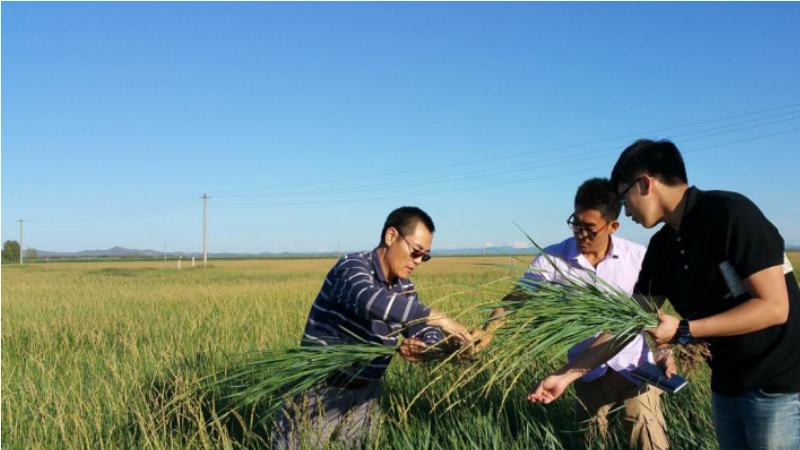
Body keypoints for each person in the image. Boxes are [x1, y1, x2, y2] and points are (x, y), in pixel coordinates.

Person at [609, 139, 800, 450]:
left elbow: (775, 307)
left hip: (777, 387)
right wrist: (565, 376)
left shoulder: (731, 214)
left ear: (645, 183)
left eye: (623, 197)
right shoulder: (662, 247)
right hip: (725, 386)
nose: (623, 209)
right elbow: (630, 318)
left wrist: (683, 331)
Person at [478, 178, 669, 450]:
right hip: (584, 376)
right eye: (575, 224)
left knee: (650, 444)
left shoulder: (637, 257)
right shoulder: (554, 259)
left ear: (613, 226)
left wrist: (664, 352)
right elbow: (516, 300)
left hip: (635, 371)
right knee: (590, 443)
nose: (580, 234)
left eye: (589, 229)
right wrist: (488, 331)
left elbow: (654, 315)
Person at [271, 206, 474, 450]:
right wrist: (441, 319)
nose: (419, 261)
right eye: (416, 252)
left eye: (425, 256)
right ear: (391, 236)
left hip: (366, 395)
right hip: (319, 390)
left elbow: (419, 327)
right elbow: (370, 301)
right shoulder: (352, 267)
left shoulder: (404, 287)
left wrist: (429, 348)